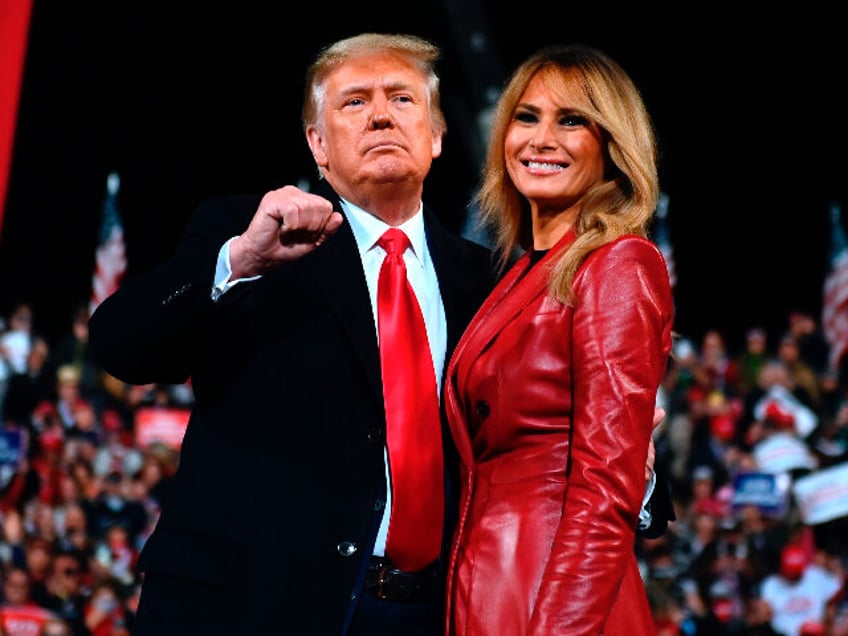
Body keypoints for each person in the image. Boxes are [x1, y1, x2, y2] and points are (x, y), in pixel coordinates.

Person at [89, 33, 669, 635]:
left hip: (431, 611)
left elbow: (545, 442)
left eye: (402, 98)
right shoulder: (249, 236)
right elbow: (119, 347)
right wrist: (235, 263)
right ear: (318, 145)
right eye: (354, 102)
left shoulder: (493, 280)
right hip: (254, 604)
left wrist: (640, 472)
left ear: (437, 135)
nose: (382, 115)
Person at [442, 44, 674, 635]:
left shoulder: (618, 264)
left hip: (553, 599)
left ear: (611, 146)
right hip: (487, 586)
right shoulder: (518, 276)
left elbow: (604, 490)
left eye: (571, 120)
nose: (541, 138)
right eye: (527, 117)